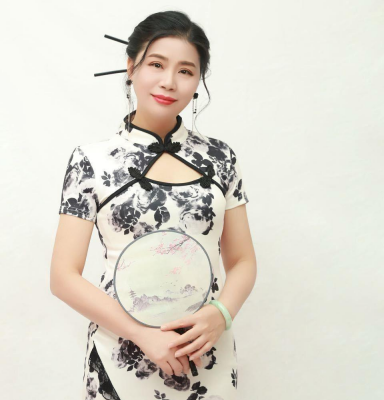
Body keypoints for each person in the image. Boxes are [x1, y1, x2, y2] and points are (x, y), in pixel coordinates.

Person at [51, 10, 257, 400]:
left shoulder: (220, 158)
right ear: (131, 67)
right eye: (156, 64)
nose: (169, 81)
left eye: (185, 70)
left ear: (198, 80)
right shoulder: (92, 161)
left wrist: (221, 314)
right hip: (120, 354)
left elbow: (243, 260)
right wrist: (142, 335)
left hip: (205, 352)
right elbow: (63, 276)